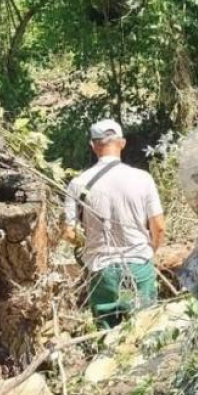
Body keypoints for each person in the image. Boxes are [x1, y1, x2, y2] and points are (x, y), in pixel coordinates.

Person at [63, 119, 166, 328]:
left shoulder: (77, 184)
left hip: (102, 271)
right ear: (122, 143)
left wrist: (87, 244)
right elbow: (159, 226)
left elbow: (69, 233)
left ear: (93, 145)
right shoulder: (143, 178)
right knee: (145, 332)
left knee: (107, 336)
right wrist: (149, 251)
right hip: (139, 265)